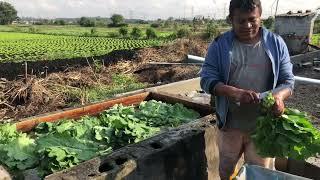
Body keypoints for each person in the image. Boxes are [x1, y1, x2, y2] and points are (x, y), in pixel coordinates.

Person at [200, 0, 295, 179]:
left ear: (260, 17)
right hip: (229, 126)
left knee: (259, 173)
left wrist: (279, 98)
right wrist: (234, 92)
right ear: (231, 19)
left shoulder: (276, 44)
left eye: (252, 19)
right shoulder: (220, 45)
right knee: (226, 170)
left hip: (263, 127)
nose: (248, 25)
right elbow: (206, 79)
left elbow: (288, 81)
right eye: (241, 21)